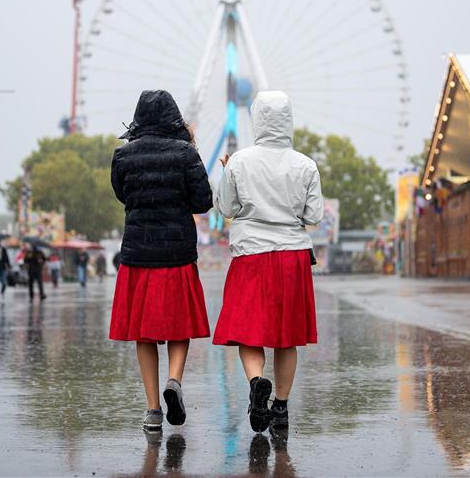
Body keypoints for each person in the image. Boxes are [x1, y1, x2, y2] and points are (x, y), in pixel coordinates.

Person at [213, 91, 323, 433]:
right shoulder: (306, 165)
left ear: (256, 119)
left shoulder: (240, 163)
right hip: (292, 257)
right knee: (286, 337)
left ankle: (257, 380)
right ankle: (282, 407)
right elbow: (315, 214)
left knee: (250, 332)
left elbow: (226, 208)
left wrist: (228, 172)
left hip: (251, 255)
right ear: (288, 120)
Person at [108, 90, 213, 431]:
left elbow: (124, 195)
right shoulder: (185, 154)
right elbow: (202, 202)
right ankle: (175, 381)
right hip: (176, 253)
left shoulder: (123, 156)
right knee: (179, 326)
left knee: (144, 333)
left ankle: (153, 410)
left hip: (138, 253)